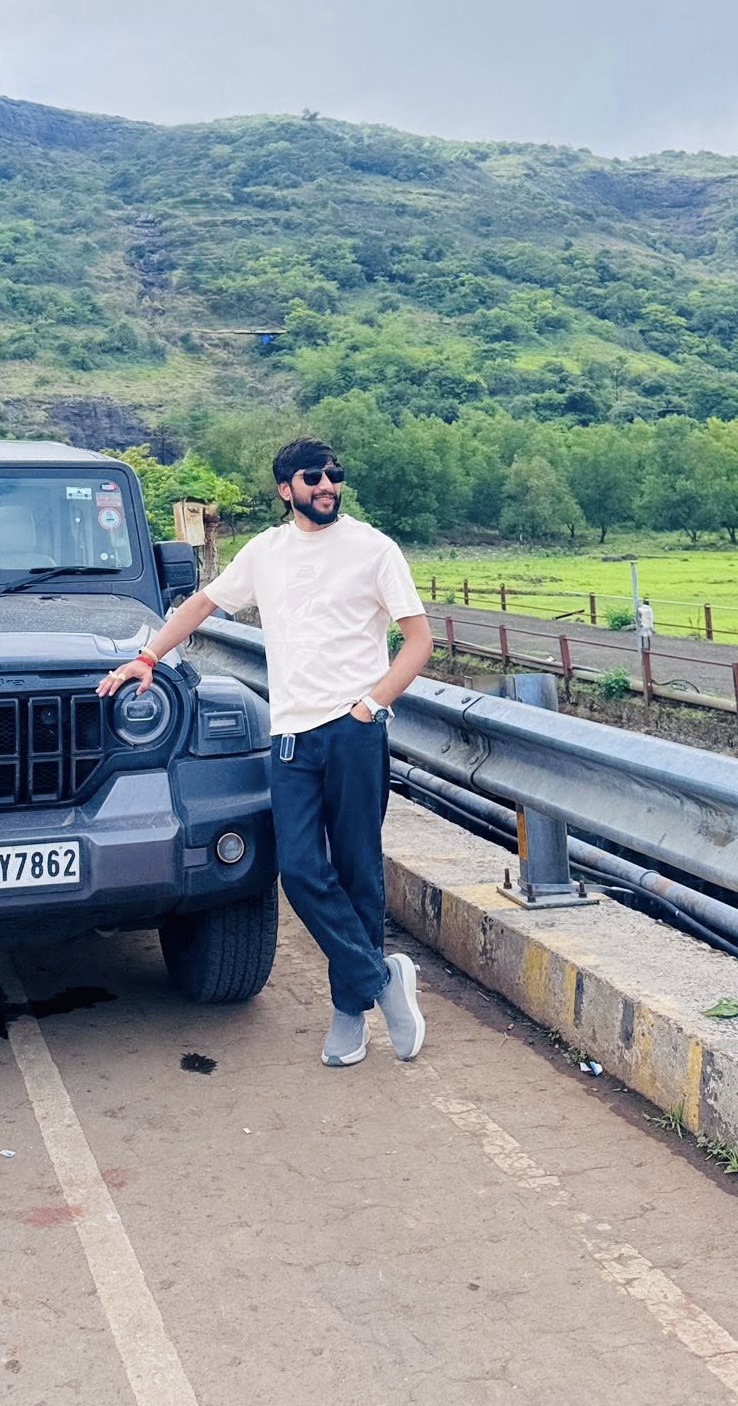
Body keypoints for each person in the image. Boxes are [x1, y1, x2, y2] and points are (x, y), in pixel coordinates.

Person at [99, 436, 433, 1069]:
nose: (327, 485)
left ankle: (349, 1012)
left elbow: (418, 641)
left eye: (334, 475)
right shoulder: (266, 552)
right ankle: (381, 979)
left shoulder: (373, 548)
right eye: (313, 477)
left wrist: (372, 705)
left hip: (354, 730)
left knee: (359, 873)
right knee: (300, 871)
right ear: (286, 488)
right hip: (291, 737)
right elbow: (202, 603)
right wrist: (149, 656)